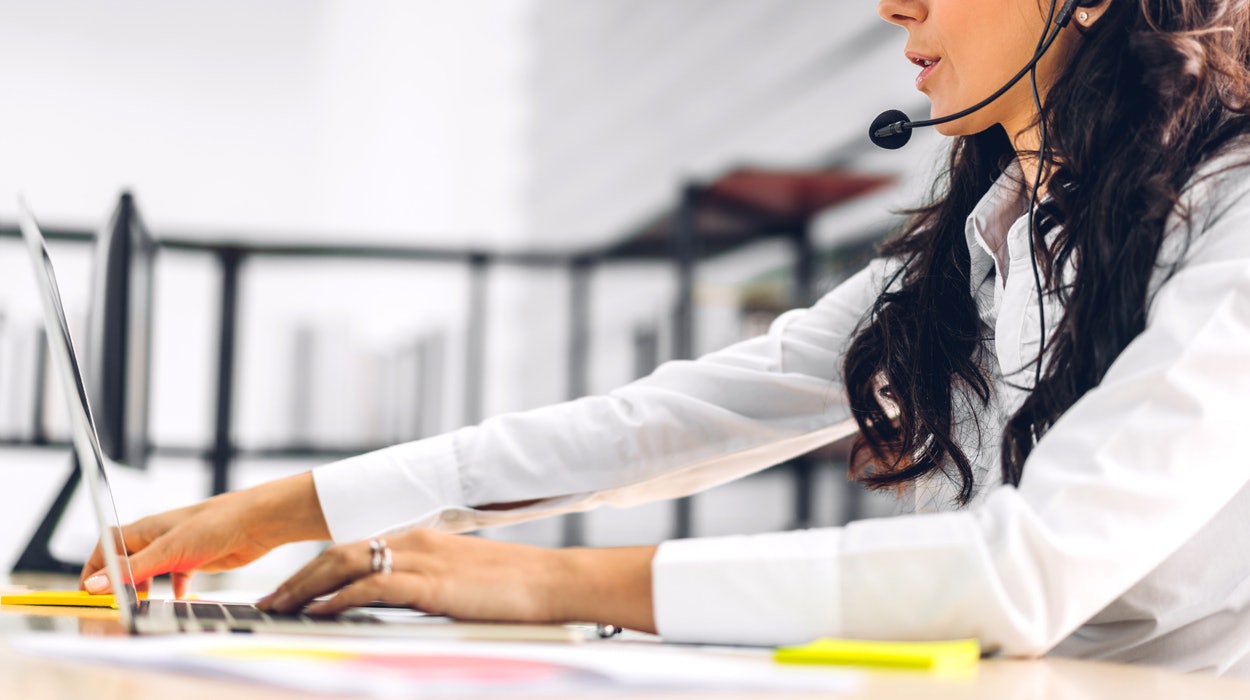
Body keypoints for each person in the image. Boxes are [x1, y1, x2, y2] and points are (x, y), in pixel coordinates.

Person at [83, 0, 1250, 676]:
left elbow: (1021, 572)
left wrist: (538, 587)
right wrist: (291, 506)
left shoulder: (1236, 213)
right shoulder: (989, 229)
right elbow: (678, 417)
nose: (894, 3)